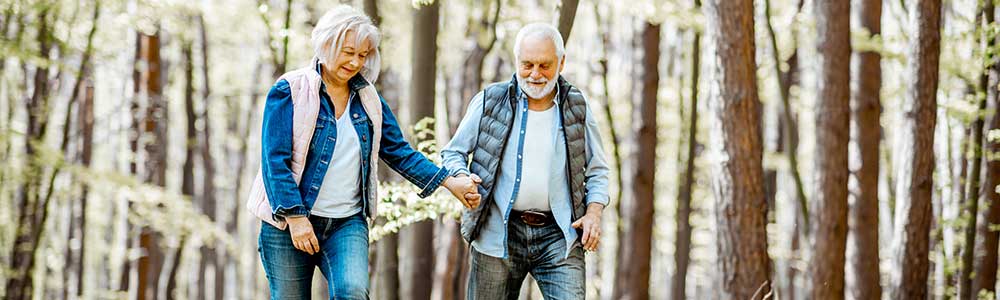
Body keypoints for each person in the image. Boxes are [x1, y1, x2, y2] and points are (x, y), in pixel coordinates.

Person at [245, 5, 481, 299]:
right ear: (326, 44)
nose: (356, 62)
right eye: (348, 52)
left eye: (363, 54)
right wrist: (295, 217)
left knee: (353, 292)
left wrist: (450, 182)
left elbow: (399, 152)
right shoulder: (290, 90)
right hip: (286, 223)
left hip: (346, 221)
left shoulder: (369, 99)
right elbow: (274, 162)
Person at [441, 22, 611, 299]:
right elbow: (452, 152)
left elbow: (597, 169)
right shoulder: (490, 100)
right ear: (516, 61)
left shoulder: (576, 105)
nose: (535, 74)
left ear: (561, 62)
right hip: (497, 231)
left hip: (560, 235)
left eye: (545, 66)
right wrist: (461, 177)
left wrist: (593, 213)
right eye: (527, 64)